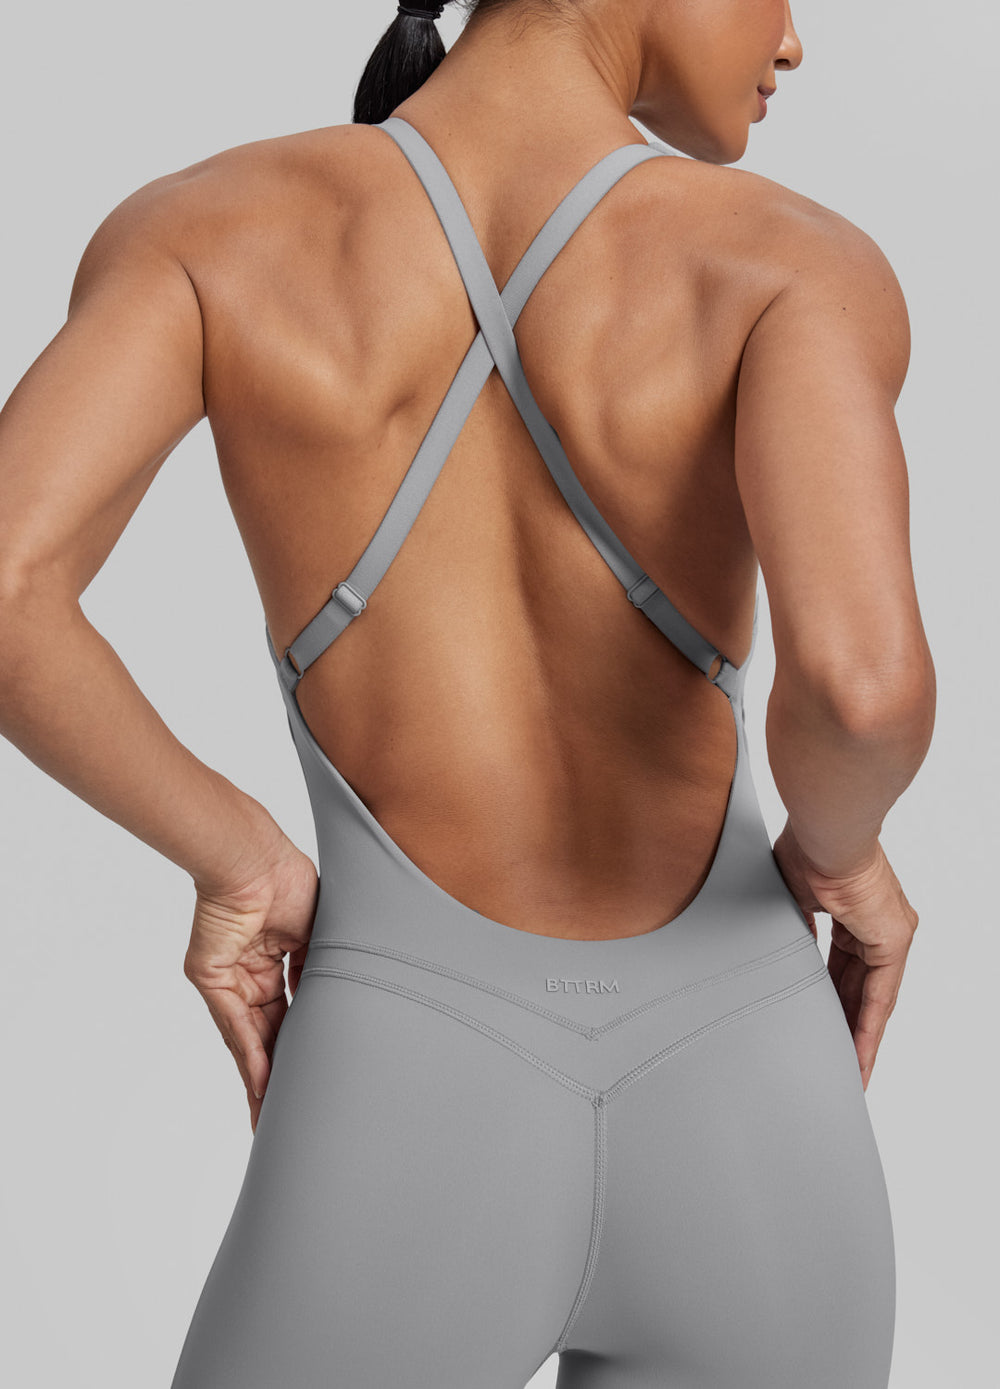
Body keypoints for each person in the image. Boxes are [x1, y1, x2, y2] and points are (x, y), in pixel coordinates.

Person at [0, 0, 935, 1385]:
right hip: (758, 1103)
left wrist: (240, 857)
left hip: (402, 1092)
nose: (793, 39)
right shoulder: (794, 265)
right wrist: (844, 854)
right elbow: (862, 694)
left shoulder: (209, 232)